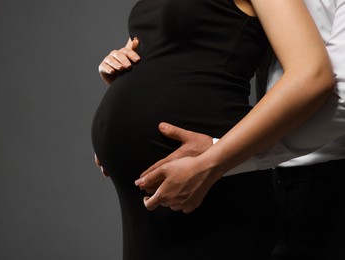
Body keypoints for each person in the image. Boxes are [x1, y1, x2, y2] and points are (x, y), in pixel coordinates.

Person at [91, 0, 333, 259]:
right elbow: (172, 56)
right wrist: (119, 73)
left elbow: (313, 75)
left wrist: (210, 163)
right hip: (149, 194)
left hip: (208, 181)